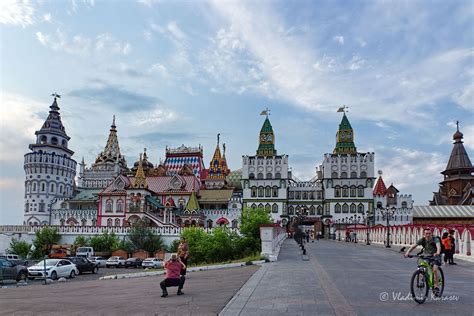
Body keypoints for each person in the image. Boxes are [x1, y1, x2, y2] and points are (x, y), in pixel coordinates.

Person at [405, 227, 442, 296]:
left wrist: (438, 252)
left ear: (431, 234)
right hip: (426, 256)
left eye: (429, 233)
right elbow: (414, 246)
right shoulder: (422, 240)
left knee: (434, 269)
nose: (428, 235)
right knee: (421, 266)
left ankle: (436, 286)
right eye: (426, 234)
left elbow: (438, 246)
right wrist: (408, 252)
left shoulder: (435, 239)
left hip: (435, 257)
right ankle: (422, 279)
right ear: (424, 234)